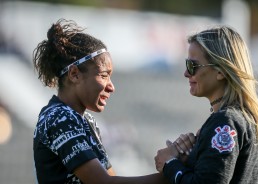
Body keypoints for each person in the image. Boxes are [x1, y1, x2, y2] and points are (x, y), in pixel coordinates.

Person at [33, 19, 168, 184]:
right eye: (104, 75)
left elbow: (110, 178)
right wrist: (173, 174)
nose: (111, 87)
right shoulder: (59, 118)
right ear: (74, 74)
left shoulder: (84, 120)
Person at [154, 25, 258, 184]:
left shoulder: (225, 122)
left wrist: (169, 163)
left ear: (221, 71)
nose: (186, 73)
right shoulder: (244, 118)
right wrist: (190, 160)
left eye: (192, 66)